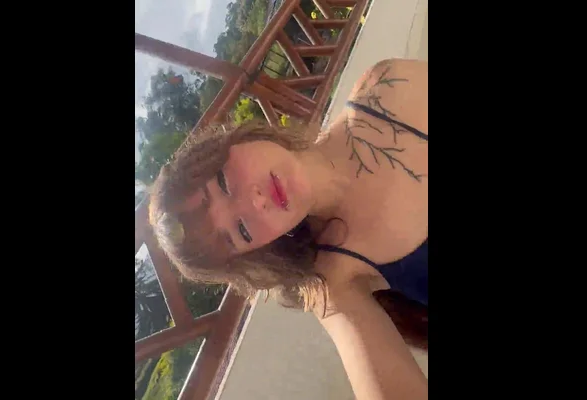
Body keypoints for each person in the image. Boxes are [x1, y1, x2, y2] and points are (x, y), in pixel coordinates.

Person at [148, 58, 428, 400]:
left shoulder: (388, 88)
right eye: (242, 232)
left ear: (229, 143)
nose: (256, 203)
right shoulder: (334, 280)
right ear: (259, 250)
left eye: (222, 182)